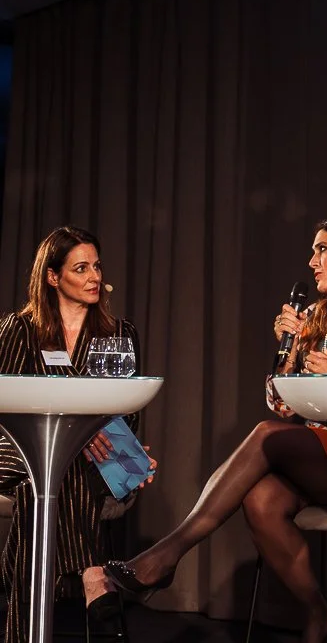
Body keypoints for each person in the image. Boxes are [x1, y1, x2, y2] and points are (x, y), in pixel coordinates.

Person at [104, 214, 327, 643]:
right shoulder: (317, 318)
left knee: (267, 434)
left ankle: (165, 556)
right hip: (320, 461)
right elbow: (281, 405)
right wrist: (288, 352)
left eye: (323, 249)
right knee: (260, 500)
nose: (312, 261)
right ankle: (319, 613)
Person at [0, 226, 150, 641]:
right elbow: (5, 406)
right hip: (17, 452)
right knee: (47, 465)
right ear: (52, 276)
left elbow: (128, 415)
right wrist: (76, 436)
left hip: (102, 462)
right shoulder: (20, 329)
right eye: (80, 268)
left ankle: (22, 628)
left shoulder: (119, 334)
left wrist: (114, 448)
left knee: (43, 482)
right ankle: (94, 576)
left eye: (96, 267)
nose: (94, 277)